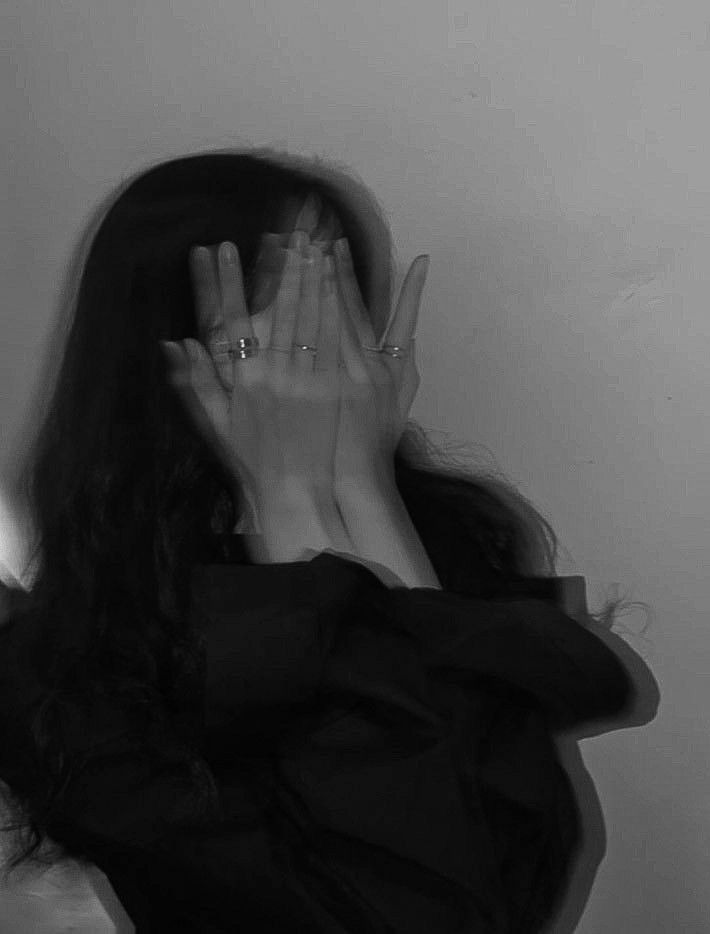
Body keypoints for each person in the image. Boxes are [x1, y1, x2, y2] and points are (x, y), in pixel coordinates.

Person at [0, 149, 654, 932]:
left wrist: (359, 485)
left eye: (339, 289)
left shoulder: (453, 532)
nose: (322, 337)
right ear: (167, 336)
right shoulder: (63, 669)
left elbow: (513, 875)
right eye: (280, 298)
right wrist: (290, 497)